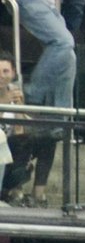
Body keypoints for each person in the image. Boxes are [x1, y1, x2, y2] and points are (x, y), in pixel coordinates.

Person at [0, 50, 56, 208]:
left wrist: (20, 108)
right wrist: (3, 104)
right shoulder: (5, 97)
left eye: (6, 71)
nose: (2, 76)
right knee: (21, 142)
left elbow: (21, 130)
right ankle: (12, 190)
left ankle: (38, 194)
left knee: (47, 140)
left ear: (13, 73)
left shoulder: (14, 91)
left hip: (15, 147)